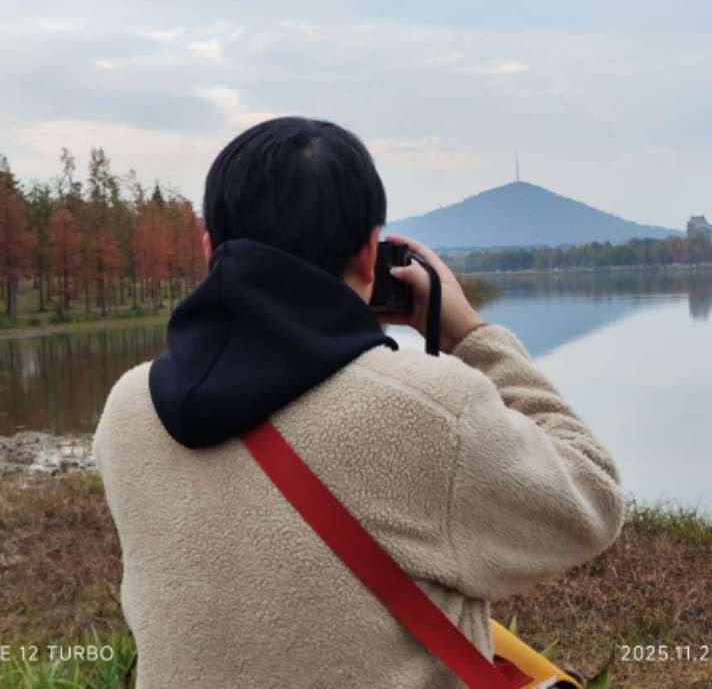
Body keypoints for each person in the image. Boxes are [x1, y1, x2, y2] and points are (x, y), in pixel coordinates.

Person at [94, 116, 624, 689]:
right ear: (372, 252)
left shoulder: (128, 410)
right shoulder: (431, 409)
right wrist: (472, 336)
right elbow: (591, 500)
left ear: (209, 251)